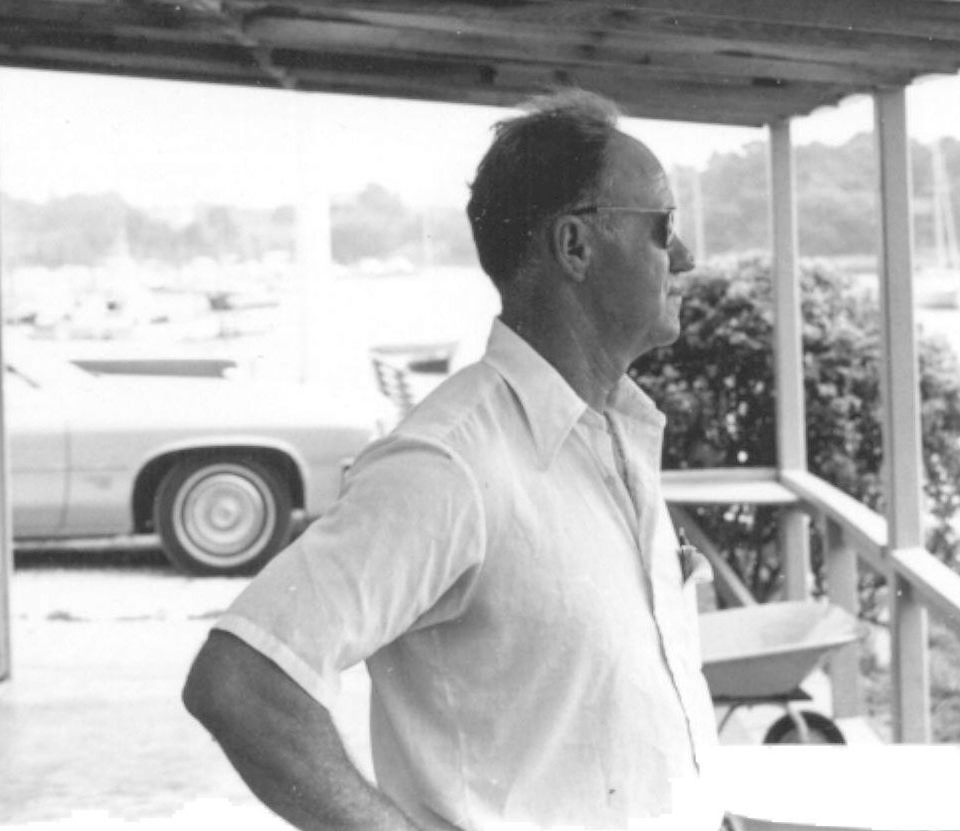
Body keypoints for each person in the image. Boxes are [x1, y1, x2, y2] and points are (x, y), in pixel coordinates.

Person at [183, 89, 718, 831]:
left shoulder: (615, 434)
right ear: (574, 245)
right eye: (662, 227)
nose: (686, 257)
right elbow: (240, 681)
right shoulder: (449, 462)